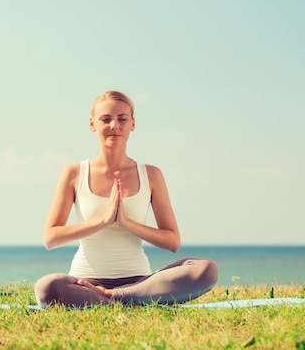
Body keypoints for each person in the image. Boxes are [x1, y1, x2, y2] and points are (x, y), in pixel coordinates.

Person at [34, 91, 218, 308]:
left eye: (122, 119)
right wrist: (103, 221)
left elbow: (172, 241)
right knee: (47, 287)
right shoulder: (75, 173)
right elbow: (51, 237)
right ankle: (130, 301)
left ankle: (112, 297)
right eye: (105, 119)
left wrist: (126, 223)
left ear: (133, 124)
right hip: (85, 283)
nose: (114, 125)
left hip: (139, 282)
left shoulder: (151, 174)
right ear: (92, 124)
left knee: (206, 269)